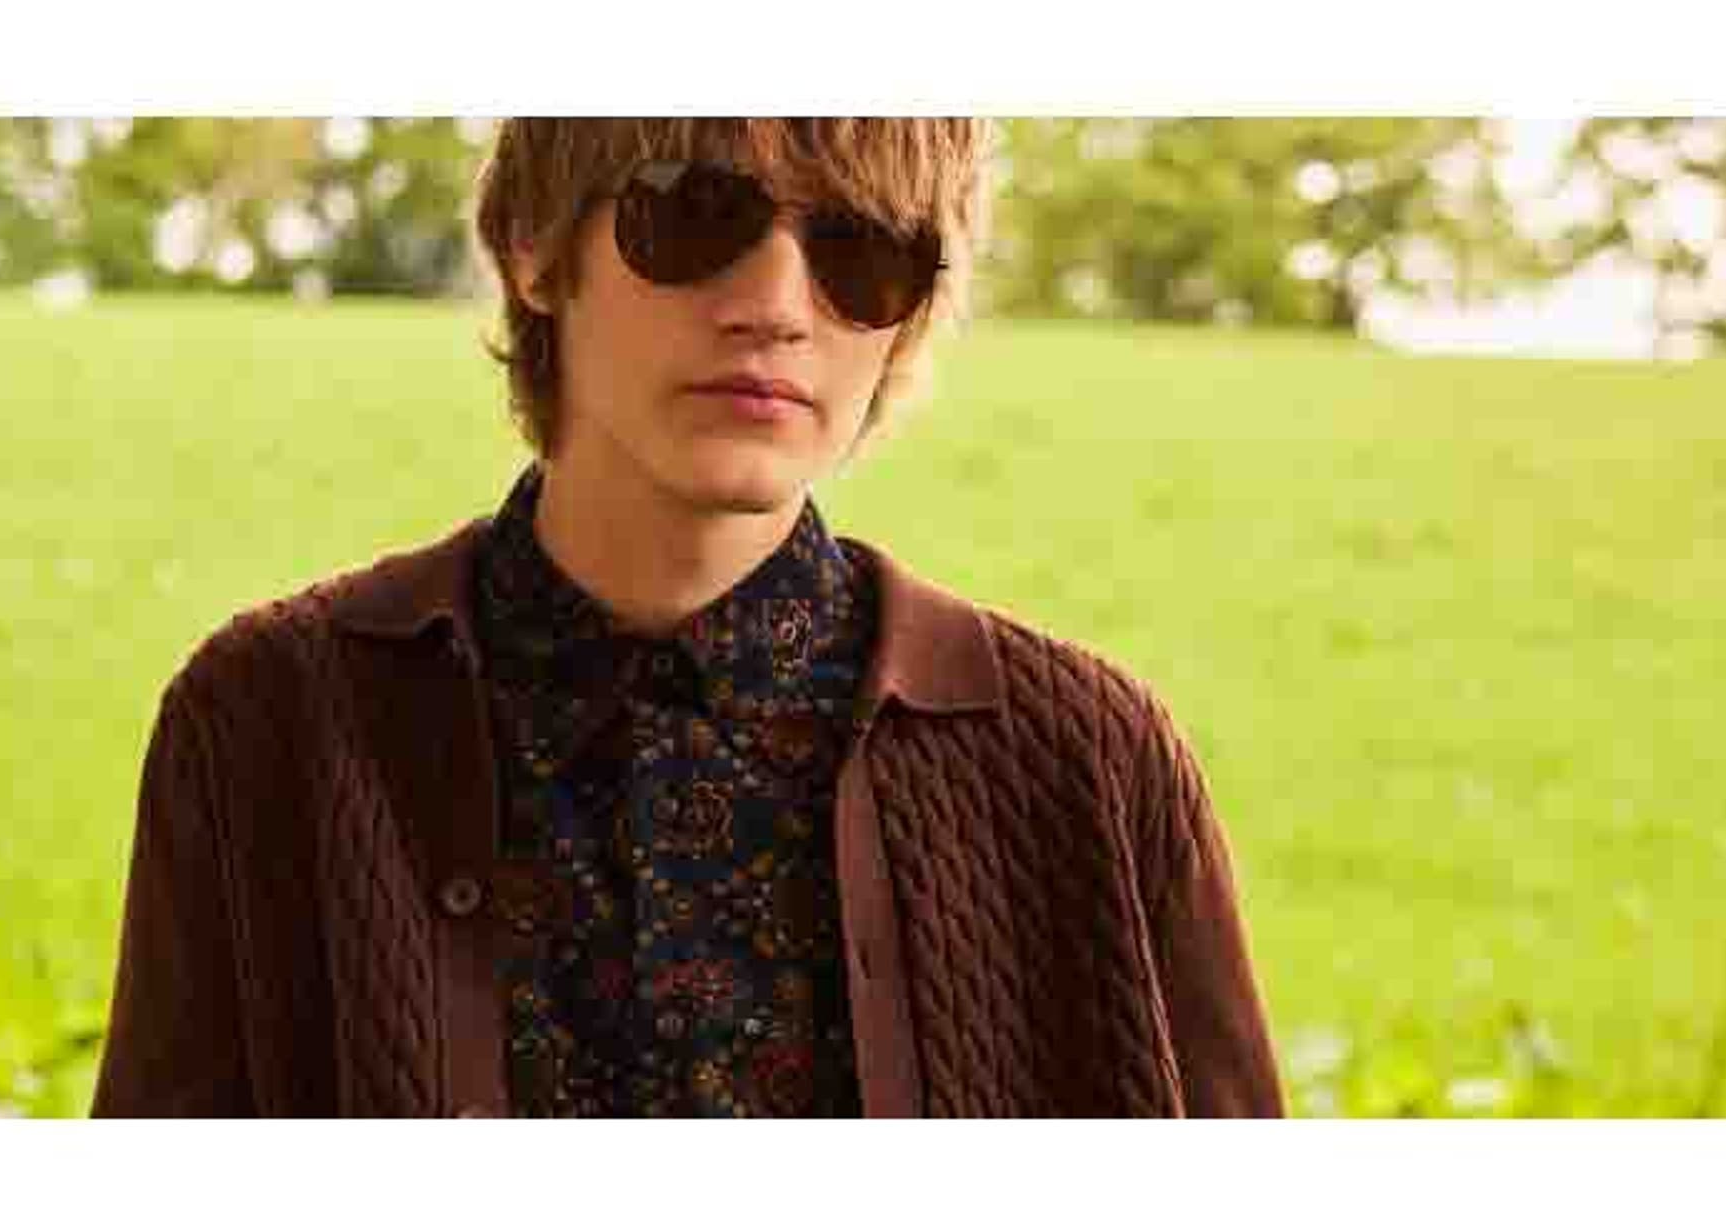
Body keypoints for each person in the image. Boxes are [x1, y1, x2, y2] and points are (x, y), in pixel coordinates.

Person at [94, 118, 1278, 1117]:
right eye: (695, 216)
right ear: (533, 245)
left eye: (863, 251)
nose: (775, 306)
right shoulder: (267, 722)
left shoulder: (1090, 761)